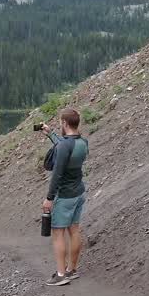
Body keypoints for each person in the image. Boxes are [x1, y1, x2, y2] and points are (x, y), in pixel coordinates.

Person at [40, 108, 89, 286]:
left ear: (65, 123)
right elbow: (66, 147)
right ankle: (71, 270)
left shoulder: (64, 146)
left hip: (64, 196)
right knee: (74, 230)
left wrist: (49, 198)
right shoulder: (83, 142)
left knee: (57, 233)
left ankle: (60, 275)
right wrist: (50, 133)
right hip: (78, 192)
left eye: (61, 122)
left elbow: (57, 174)